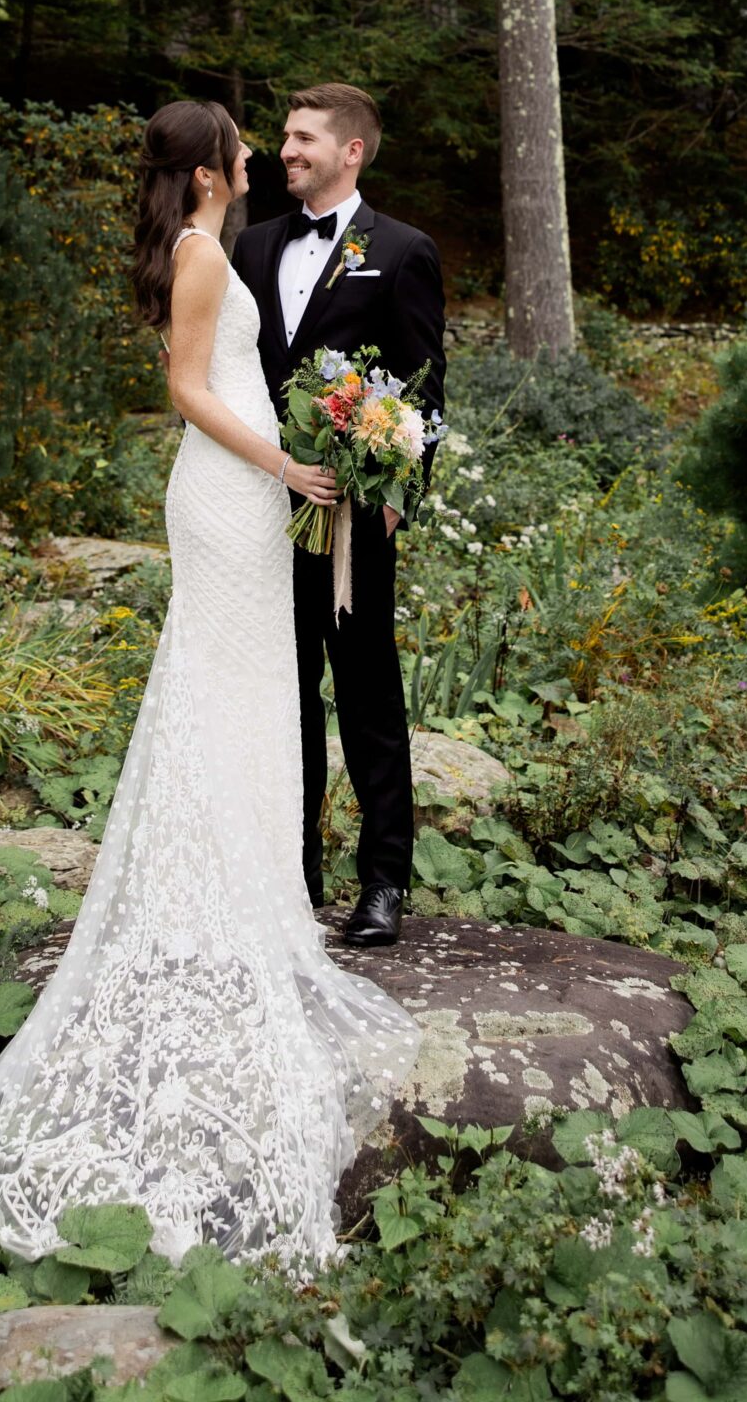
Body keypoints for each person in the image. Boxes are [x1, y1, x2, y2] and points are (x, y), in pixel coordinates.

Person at [0, 100, 419, 1265]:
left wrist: (354, 459)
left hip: (270, 491)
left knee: (258, 691)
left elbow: (377, 370)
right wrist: (286, 461)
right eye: (248, 146)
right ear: (209, 172)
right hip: (239, 486)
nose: (262, 158)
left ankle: (269, 882)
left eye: (282, 141)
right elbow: (188, 386)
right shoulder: (215, 251)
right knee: (230, 685)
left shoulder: (267, 243)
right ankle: (235, 893)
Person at [231, 83, 446, 950]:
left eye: (303, 137)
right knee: (283, 699)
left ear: (350, 150)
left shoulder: (399, 251)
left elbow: (424, 391)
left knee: (365, 696)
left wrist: (396, 496)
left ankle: (383, 881)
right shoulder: (248, 247)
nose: (284, 150)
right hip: (256, 512)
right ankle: (295, 876)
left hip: (355, 520)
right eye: (284, 136)